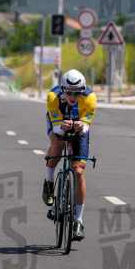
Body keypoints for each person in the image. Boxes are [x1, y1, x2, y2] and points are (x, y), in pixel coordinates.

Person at [43, 69, 96, 241]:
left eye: (77, 93)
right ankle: (49, 180)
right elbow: (58, 129)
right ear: (63, 89)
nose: (73, 96)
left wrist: (81, 127)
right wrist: (62, 127)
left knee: (78, 171)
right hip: (59, 123)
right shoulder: (53, 96)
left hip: (79, 127)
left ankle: (78, 221)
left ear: (83, 91)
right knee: (58, 145)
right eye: (69, 92)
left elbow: (85, 128)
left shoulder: (90, 97)